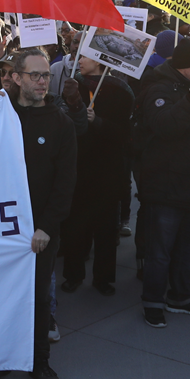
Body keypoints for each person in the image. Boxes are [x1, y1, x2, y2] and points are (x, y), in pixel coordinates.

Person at [0, 50, 75, 379]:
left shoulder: (60, 122)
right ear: (16, 78)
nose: (42, 81)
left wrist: (47, 227)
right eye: (34, 75)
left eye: (46, 75)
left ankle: (39, 362)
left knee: (35, 298)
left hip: (39, 232)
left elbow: (65, 182)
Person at [132, 38, 190, 328]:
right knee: (160, 252)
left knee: (189, 250)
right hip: (167, 186)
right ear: (185, 67)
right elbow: (165, 126)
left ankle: (181, 296)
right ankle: (153, 301)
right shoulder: (158, 89)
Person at [60, 55, 133, 295]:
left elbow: (125, 134)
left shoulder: (120, 90)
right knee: (75, 227)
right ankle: (73, 274)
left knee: (105, 230)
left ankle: (103, 278)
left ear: (101, 61)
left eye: (85, 57)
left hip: (107, 171)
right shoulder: (74, 85)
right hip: (79, 168)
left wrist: (98, 121)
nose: (79, 60)